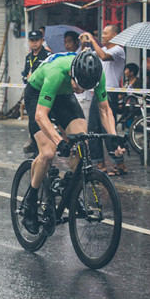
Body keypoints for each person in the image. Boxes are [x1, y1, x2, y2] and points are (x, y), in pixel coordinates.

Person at [22, 50, 125, 233]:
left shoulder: (97, 74)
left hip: (63, 96)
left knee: (81, 142)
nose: (81, 91)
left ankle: (70, 187)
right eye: (78, 86)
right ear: (72, 73)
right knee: (47, 153)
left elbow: (104, 110)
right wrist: (60, 141)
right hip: (38, 94)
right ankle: (30, 201)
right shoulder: (56, 72)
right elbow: (40, 115)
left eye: (85, 88)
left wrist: (114, 139)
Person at [81, 25, 127, 176]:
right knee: (93, 129)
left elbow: (103, 57)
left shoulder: (118, 50)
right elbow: (86, 57)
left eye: (106, 33)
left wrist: (92, 40)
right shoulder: (101, 50)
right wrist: (84, 44)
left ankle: (119, 164)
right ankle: (99, 163)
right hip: (98, 91)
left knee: (108, 129)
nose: (102, 35)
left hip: (110, 93)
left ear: (114, 35)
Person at [22, 30, 51, 153]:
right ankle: (35, 144)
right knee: (32, 119)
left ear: (42, 41)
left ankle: (46, 144)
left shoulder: (47, 55)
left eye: (37, 40)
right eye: (32, 41)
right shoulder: (28, 57)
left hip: (42, 92)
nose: (34, 43)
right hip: (30, 93)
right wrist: (26, 77)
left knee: (43, 118)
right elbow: (24, 73)